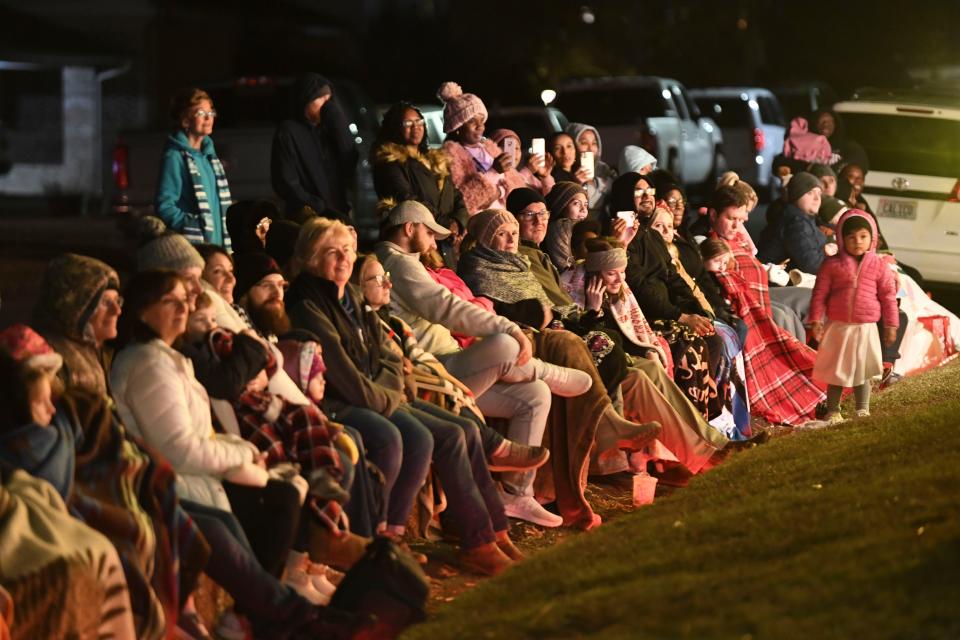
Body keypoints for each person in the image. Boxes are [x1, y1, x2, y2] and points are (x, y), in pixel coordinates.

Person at [286, 216, 526, 574]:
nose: (343, 259)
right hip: (342, 402)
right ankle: (383, 543)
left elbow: (386, 354)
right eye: (331, 252)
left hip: (379, 394)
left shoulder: (349, 295)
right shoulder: (307, 306)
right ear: (310, 258)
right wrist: (390, 395)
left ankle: (487, 533)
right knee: (407, 437)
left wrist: (392, 385)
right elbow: (343, 376)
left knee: (462, 430)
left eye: (347, 250)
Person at [111, 270, 343, 636]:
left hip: (194, 477)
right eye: (168, 301)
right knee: (257, 508)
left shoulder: (167, 359)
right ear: (142, 312)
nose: (182, 309)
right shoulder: (149, 364)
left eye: (183, 301)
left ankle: (264, 614)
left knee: (281, 493)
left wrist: (245, 451)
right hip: (173, 484)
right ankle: (283, 614)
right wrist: (243, 458)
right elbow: (179, 449)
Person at [707, 187, 825, 426]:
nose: (736, 225)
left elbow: (754, 262)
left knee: (811, 300)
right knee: (784, 317)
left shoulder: (738, 238)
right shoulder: (711, 243)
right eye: (731, 218)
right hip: (746, 306)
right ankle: (798, 381)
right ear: (712, 215)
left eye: (741, 220)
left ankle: (826, 366)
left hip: (762, 296)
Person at [808, 210, 899, 422]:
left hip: (865, 327)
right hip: (839, 326)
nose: (857, 242)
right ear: (841, 238)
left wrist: (891, 325)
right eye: (851, 237)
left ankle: (862, 409)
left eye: (863, 236)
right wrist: (815, 319)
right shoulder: (832, 265)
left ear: (872, 238)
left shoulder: (879, 266)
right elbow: (820, 293)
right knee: (836, 370)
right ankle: (833, 411)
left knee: (862, 370)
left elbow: (888, 297)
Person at [271, 73, 358, 222]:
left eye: (329, 99)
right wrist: (317, 206)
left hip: (337, 215)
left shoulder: (329, 130)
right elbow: (285, 181)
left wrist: (340, 126)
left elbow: (349, 162)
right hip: (308, 218)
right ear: (306, 100)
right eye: (321, 99)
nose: (327, 105)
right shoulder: (288, 131)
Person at [156, 87, 232, 248]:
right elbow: (165, 205)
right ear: (185, 120)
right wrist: (193, 225)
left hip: (217, 244)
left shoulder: (209, 157)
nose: (208, 118)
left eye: (211, 113)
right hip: (195, 244)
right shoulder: (175, 157)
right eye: (200, 113)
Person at [372, 101, 470, 224]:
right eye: (408, 123)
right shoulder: (390, 163)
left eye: (419, 121)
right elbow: (409, 200)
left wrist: (459, 223)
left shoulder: (435, 161)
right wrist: (446, 225)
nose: (416, 127)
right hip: (416, 235)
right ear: (394, 127)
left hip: (447, 237)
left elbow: (456, 196)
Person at [438, 82, 525, 214]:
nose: (480, 126)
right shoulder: (450, 156)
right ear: (457, 128)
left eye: (482, 120)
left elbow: (515, 185)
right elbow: (463, 200)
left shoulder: (490, 148)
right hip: (477, 225)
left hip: (505, 219)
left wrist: (499, 192)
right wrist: (494, 171)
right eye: (472, 121)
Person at [757, 171, 830, 274]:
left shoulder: (804, 218)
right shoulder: (795, 223)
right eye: (810, 193)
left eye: (819, 194)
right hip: (774, 284)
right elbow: (812, 265)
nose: (817, 199)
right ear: (796, 195)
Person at [566, 123, 616, 217]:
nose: (590, 149)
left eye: (594, 143)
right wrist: (576, 185)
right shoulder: (566, 172)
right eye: (584, 143)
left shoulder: (604, 169)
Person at [542, 182, 590, 273]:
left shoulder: (583, 227)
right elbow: (566, 268)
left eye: (586, 204)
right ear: (562, 205)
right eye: (576, 203)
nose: (583, 209)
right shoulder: (560, 226)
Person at [489, 128, 554, 196]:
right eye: (509, 147)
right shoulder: (491, 175)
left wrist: (545, 177)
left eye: (517, 148)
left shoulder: (531, 179)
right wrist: (527, 171)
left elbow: (553, 198)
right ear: (493, 148)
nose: (514, 152)